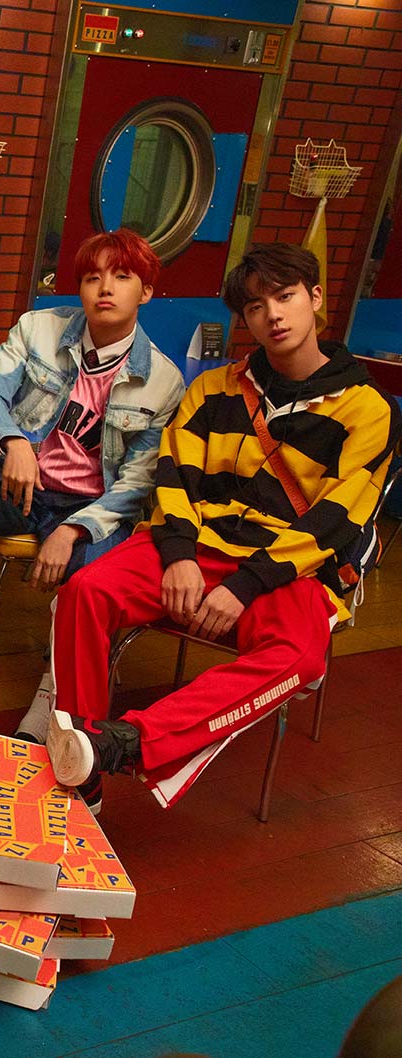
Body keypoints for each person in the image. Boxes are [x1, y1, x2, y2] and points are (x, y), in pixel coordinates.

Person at [46, 243, 399, 807]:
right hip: (198, 545)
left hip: (288, 567)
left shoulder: (368, 409)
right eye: (256, 307)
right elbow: (172, 478)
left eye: (285, 297)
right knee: (85, 590)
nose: (273, 315)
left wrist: (247, 584)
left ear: (315, 298)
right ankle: (81, 764)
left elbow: (339, 520)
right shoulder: (214, 388)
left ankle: (126, 742)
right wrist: (180, 555)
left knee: (299, 655)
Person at [0, 229, 185, 742]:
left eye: (122, 277)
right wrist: (14, 442)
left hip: (92, 506)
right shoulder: (38, 328)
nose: (105, 288)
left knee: (94, 581)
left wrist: (74, 530)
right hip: (20, 484)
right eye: (92, 277)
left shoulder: (163, 381)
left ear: (146, 292)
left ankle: (53, 690)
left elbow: (136, 482)